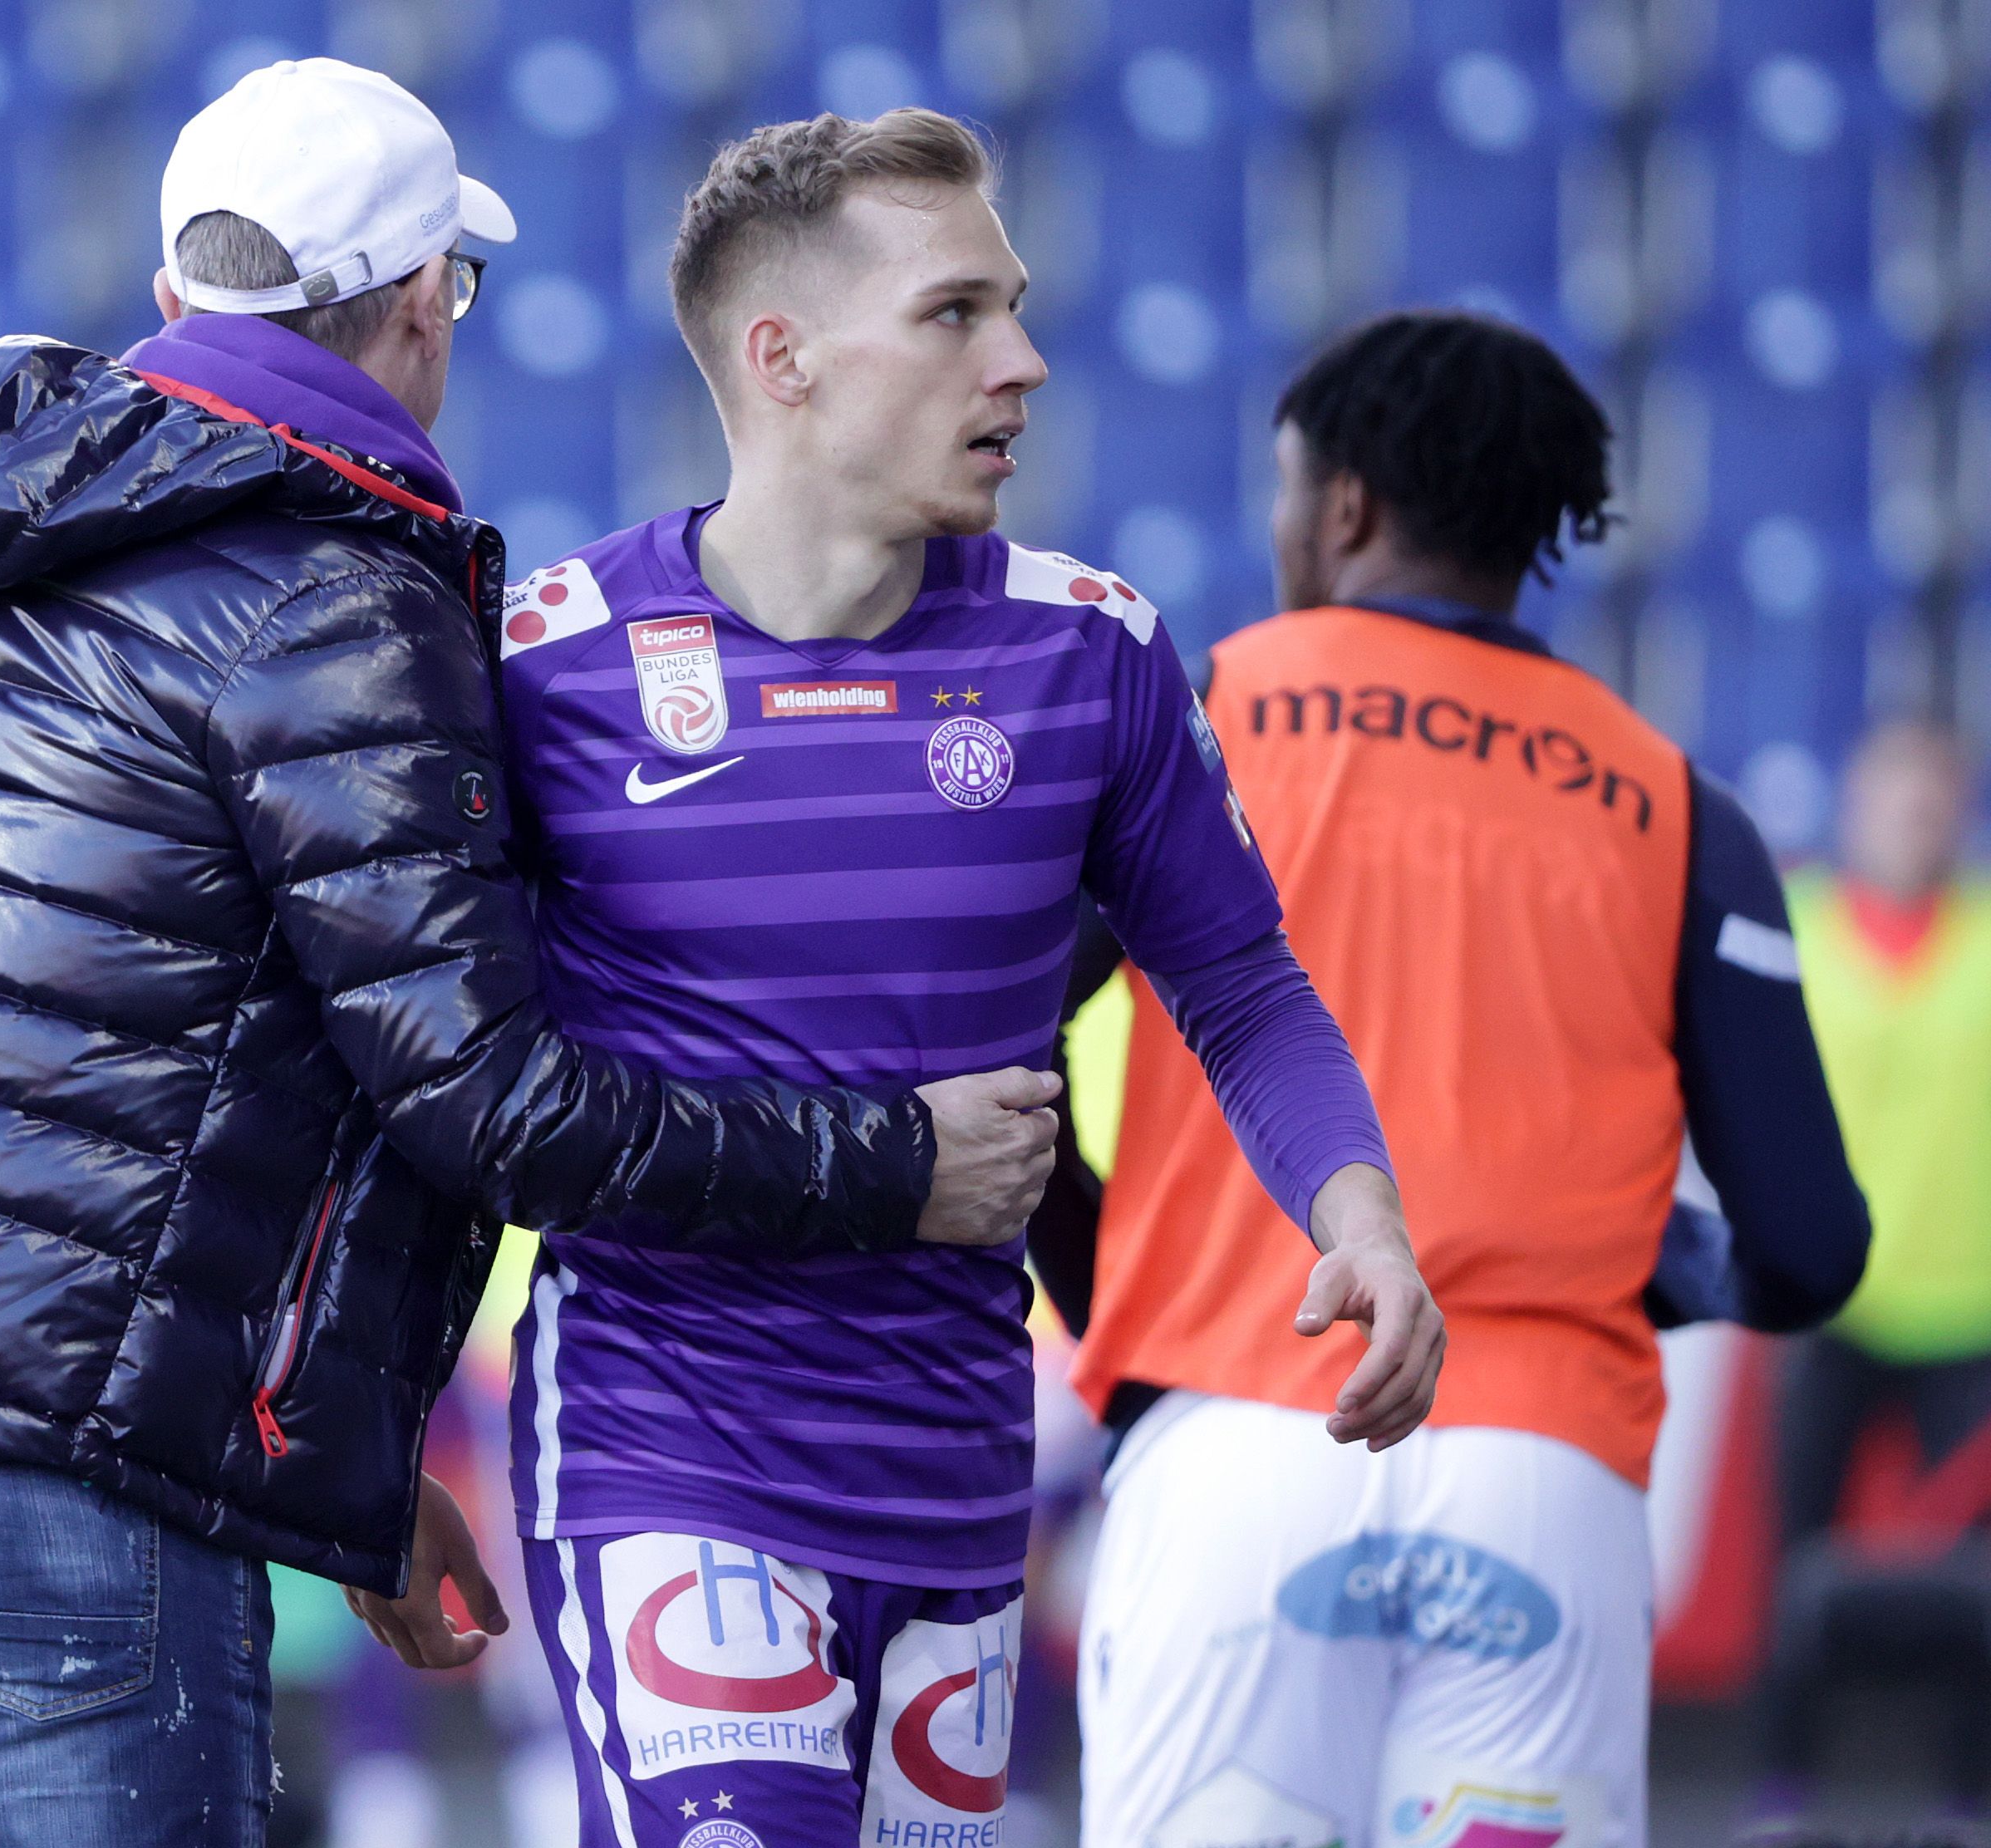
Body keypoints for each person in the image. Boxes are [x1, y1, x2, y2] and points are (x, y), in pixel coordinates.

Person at [0, 62, 1058, 1848]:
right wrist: (895, 1163)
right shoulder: (338, 593)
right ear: (422, 305)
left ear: (172, 305)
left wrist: (348, 1485)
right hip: (59, 1472)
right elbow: (488, 1099)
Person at [450, 111, 1441, 1848]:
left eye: (1016, 307)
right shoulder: (549, 663)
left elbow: (1236, 979)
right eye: (955, 313)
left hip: (959, 1472)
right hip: (660, 1442)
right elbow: (444, 1078)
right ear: (784, 359)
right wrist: (373, 1436)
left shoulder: (1088, 649)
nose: (1024, 362)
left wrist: (1355, 1213)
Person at [1050, 312, 1871, 1848]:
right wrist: (1657, 1266)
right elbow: (1813, 1247)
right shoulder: (1679, 804)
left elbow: (997, 1036)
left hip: (1231, 1440)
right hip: (1544, 1478)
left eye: (1289, 491)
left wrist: (1112, 1272)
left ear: (1343, 504)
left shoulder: (1195, 715)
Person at [1757, 718, 1991, 1815]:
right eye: (1897, 798)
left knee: (1982, 1588)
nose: (1913, 819)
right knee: (1793, 1565)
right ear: (1856, 807)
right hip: (1828, 1308)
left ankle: (1967, 1795)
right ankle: (1780, 1790)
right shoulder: (1793, 930)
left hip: (1968, 1315)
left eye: (1933, 800)